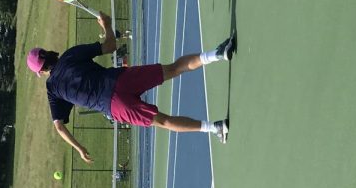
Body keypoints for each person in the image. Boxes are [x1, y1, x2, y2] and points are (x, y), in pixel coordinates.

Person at [27, 12, 233, 164]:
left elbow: (59, 126)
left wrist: (79, 148)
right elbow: (110, 46)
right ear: (48, 53)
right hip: (120, 80)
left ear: (42, 72)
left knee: (164, 121)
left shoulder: (52, 88)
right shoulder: (70, 55)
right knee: (172, 69)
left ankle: (215, 127)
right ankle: (217, 54)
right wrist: (106, 25)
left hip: (115, 106)